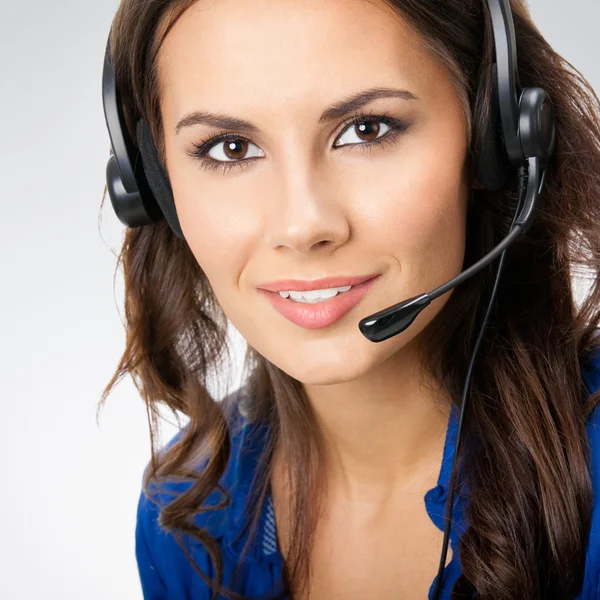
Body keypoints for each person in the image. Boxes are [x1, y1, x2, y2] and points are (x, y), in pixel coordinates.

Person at [98, 0, 600, 598]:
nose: (303, 224)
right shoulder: (186, 510)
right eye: (230, 148)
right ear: (151, 186)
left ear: (496, 136)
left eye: (367, 129)